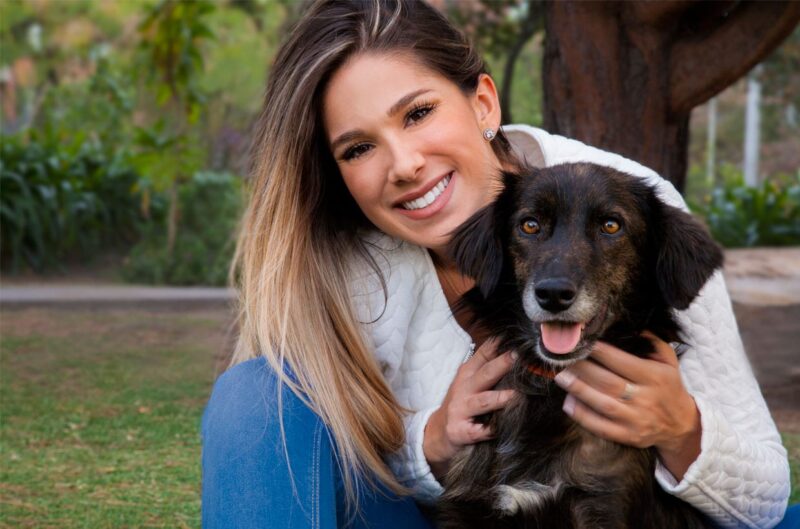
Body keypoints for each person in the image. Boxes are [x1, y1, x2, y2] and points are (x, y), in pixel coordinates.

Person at [201, 1, 796, 527]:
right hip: (422, 516)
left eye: (417, 113)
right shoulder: (346, 260)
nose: (404, 163)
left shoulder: (638, 208)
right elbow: (325, 467)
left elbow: (764, 498)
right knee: (257, 395)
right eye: (359, 148)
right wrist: (429, 442)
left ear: (483, 102)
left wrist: (682, 431)